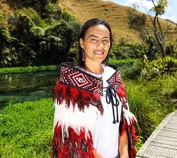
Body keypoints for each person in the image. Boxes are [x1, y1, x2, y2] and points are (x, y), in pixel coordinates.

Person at [51, 18, 138, 158]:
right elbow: (73, 142)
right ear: (82, 43)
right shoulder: (70, 84)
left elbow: (122, 124)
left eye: (105, 40)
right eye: (93, 39)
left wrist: (124, 155)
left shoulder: (113, 76)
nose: (100, 45)